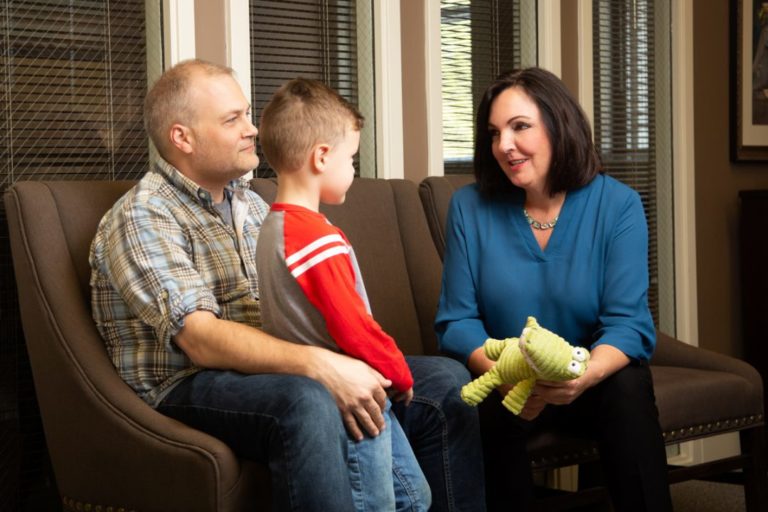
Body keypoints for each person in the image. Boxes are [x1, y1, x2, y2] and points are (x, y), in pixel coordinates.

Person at [89, 58, 485, 511]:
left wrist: (347, 361)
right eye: (232, 119)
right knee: (309, 399)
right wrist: (321, 366)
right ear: (183, 137)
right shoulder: (144, 216)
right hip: (187, 385)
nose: (253, 129)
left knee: (445, 380)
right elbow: (200, 340)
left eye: (247, 114)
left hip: (267, 368)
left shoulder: (253, 205)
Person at [435, 67, 673, 512]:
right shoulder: (469, 206)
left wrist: (582, 376)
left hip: (588, 376)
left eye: (519, 126)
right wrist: (503, 376)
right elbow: (456, 320)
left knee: (628, 388)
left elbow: (628, 324)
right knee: (481, 409)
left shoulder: (618, 205)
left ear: (558, 126)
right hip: (509, 376)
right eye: (494, 133)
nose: (504, 145)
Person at [255, 78, 430, 511]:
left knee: (415, 497)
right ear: (321, 157)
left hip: (330, 387)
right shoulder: (315, 238)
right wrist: (400, 372)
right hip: (353, 398)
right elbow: (353, 326)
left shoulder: (272, 227)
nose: (354, 169)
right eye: (351, 158)